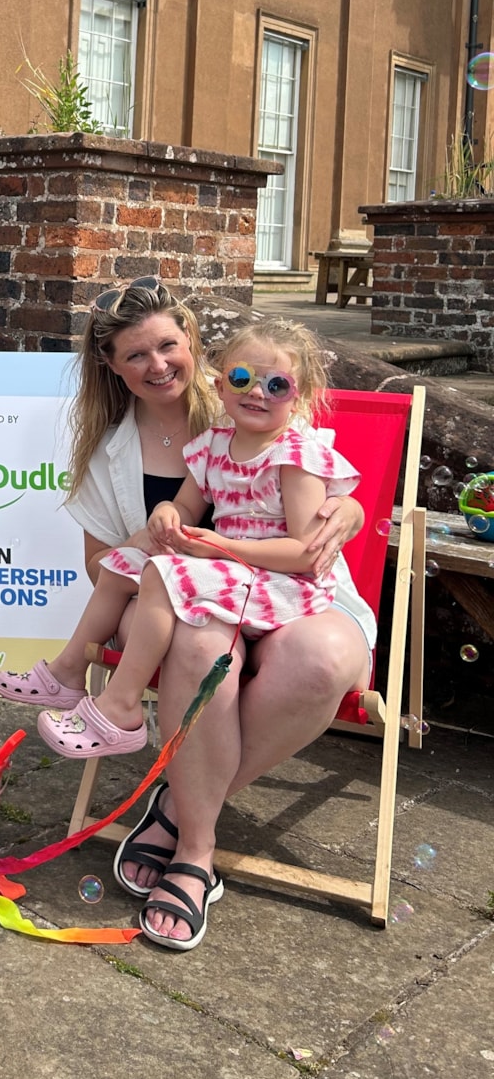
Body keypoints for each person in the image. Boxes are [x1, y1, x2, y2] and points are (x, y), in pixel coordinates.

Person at [0, 278, 368, 951]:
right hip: (178, 600)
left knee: (322, 660)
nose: (158, 364)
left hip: (287, 591)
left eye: (169, 345)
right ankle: (196, 850)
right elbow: (102, 565)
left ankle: (172, 801)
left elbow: (319, 492)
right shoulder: (114, 447)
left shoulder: (250, 398)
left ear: (193, 343)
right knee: (198, 650)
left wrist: (355, 510)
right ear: (111, 366)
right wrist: (163, 536)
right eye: (136, 355)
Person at [37, 318, 359, 775]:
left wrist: (349, 509)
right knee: (120, 561)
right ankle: (67, 672)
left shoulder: (290, 449)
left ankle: (121, 705)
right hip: (230, 575)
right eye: (242, 378)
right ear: (221, 383)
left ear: (299, 396)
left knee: (163, 572)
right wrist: (167, 513)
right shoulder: (214, 445)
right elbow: (187, 506)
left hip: (275, 581)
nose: (257, 392)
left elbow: (307, 550)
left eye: (277, 385)